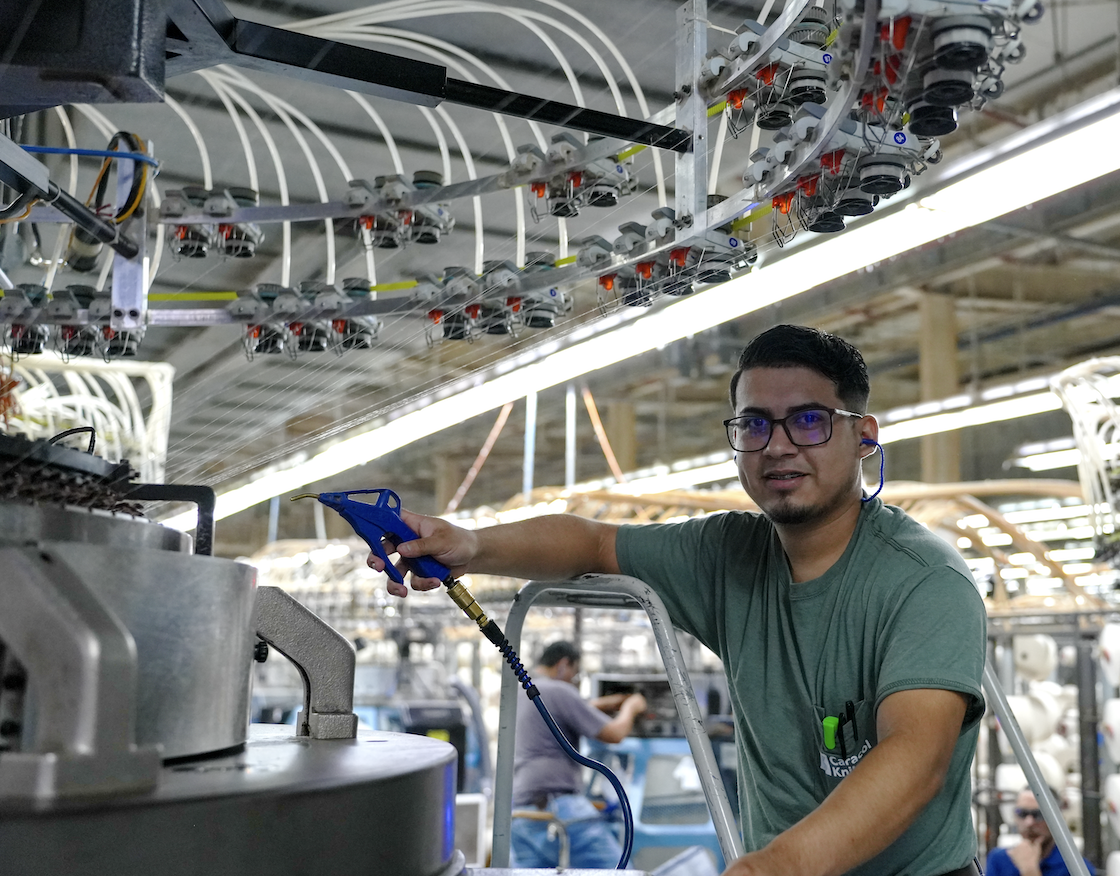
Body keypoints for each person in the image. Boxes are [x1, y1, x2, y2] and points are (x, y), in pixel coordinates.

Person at [369, 324, 988, 876]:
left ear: (863, 436)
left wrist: (768, 869)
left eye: (808, 420)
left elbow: (915, 760)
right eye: (754, 424)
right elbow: (589, 541)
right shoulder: (727, 556)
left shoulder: (925, 580)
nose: (776, 446)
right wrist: (471, 544)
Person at [508, 639, 648, 869]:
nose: (574, 682)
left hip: (522, 816)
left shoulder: (521, 691)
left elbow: (564, 711)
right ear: (563, 665)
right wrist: (631, 707)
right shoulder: (558, 690)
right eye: (575, 675)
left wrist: (605, 703)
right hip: (558, 810)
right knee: (620, 872)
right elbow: (615, 734)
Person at [985, 789, 1095, 876]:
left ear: (1058, 819)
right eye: (1022, 813)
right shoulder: (999, 860)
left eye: (1039, 814)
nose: (1029, 823)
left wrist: (1030, 871)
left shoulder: (1075, 868)